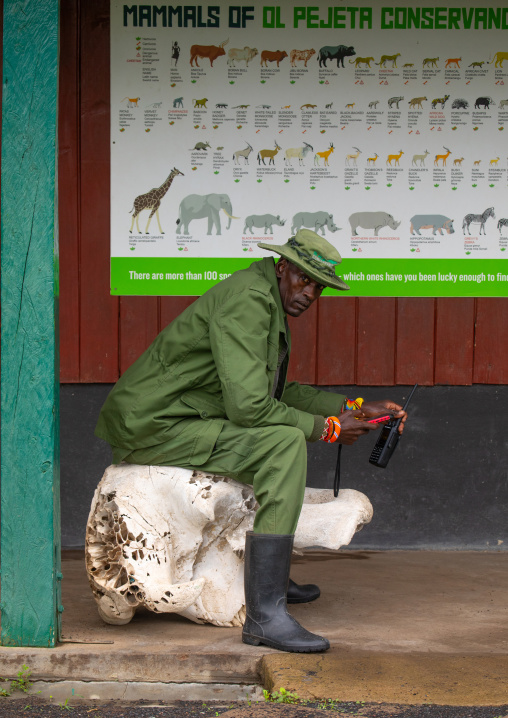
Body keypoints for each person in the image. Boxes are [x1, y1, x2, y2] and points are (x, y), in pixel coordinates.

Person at [95, 229, 407, 653]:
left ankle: (267, 580)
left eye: (318, 286)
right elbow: (249, 409)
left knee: (278, 441)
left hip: (184, 417)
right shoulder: (249, 302)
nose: (310, 292)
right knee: (282, 445)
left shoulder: (265, 298)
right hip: (154, 424)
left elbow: (272, 391)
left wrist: (351, 405)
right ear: (283, 267)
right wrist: (327, 429)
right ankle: (265, 616)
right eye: (303, 279)